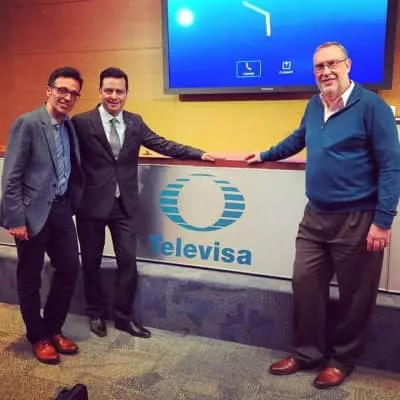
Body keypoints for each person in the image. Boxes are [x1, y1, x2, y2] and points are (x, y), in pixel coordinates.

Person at [246, 42, 400, 389]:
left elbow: (392, 166)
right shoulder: (314, 105)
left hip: (358, 219)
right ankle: (306, 353)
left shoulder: (372, 107)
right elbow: (299, 138)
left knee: (355, 297)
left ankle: (342, 359)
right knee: (305, 285)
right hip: (315, 216)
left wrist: (382, 221)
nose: (326, 72)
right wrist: (266, 154)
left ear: (348, 65)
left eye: (332, 64)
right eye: (319, 66)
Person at [72, 67, 217, 339]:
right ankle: (95, 313)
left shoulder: (135, 122)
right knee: (91, 262)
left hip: (124, 206)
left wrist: (197, 153)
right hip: (91, 205)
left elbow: (162, 144)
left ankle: (123, 318)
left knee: (128, 263)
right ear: (99, 91)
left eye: (120, 91)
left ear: (127, 93)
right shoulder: (81, 122)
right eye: (108, 90)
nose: (114, 96)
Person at [0, 67, 84, 364]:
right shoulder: (27, 123)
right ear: (49, 90)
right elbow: (11, 176)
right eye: (62, 90)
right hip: (31, 213)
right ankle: (38, 336)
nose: (67, 97)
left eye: (73, 93)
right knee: (30, 277)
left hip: (61, 210)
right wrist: (15, 219)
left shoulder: (69, 125)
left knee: (70, 268)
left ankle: (53, 328)